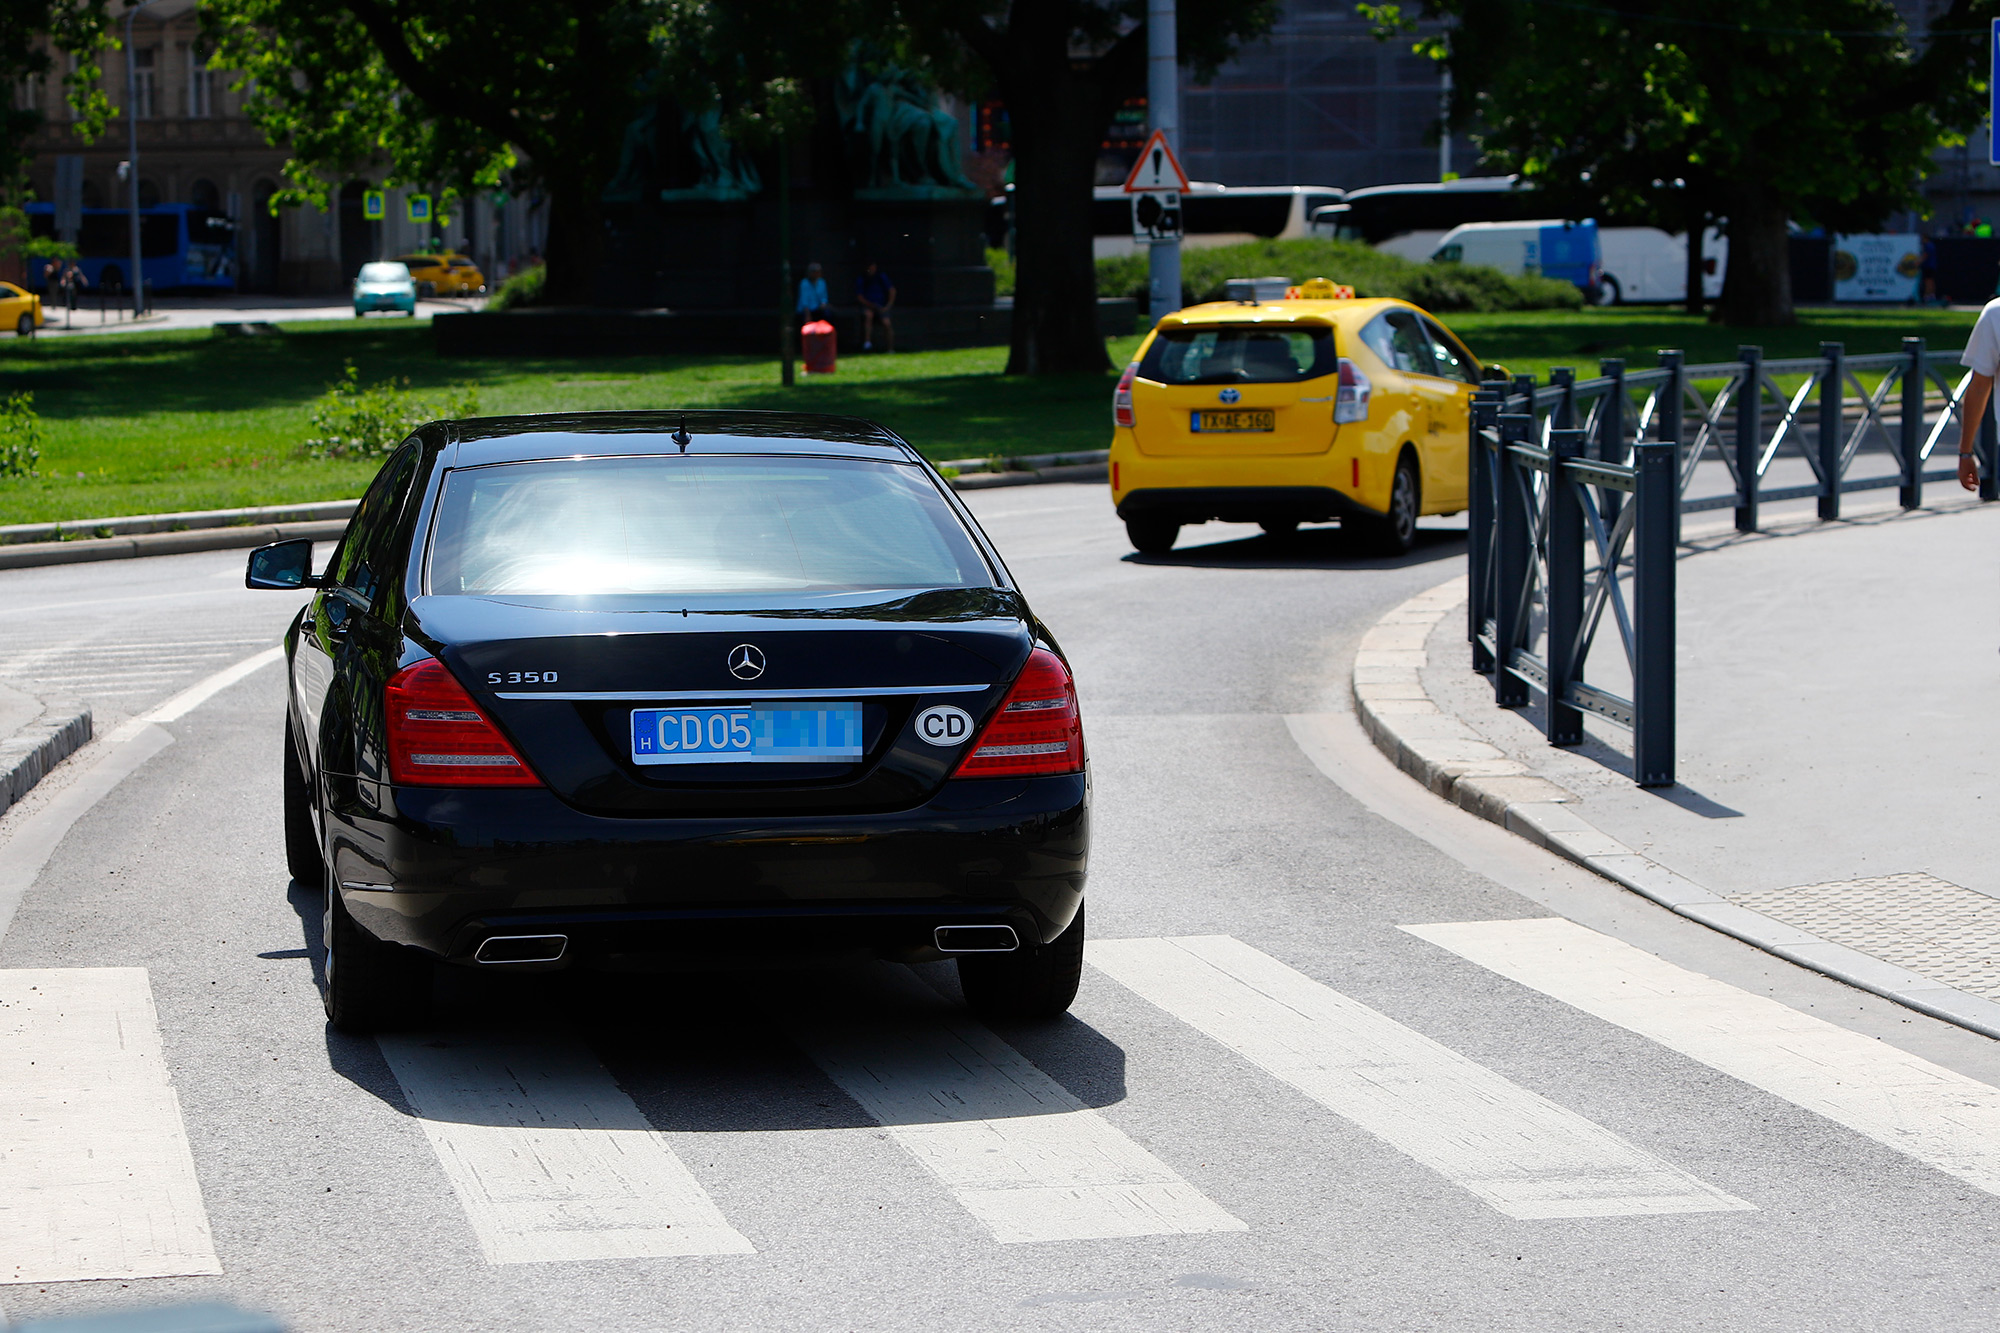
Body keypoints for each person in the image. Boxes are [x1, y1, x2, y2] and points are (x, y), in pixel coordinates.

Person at [1957, 294, 2000, 491]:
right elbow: (1980, 386)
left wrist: (1966, 452)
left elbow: (1980, 385)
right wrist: (1965, 451)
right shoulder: (1995, 313)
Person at [855, 259, 895, 352]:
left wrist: (888, 306)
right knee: (868, 316)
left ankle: (890, 349)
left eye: (873, 266)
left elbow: (892, 290)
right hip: (868, 306)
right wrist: (870, 305)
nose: (871, 269)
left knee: (887, 323)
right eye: (869, 267)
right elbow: (860, 297)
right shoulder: (862, 278)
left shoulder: (881, 276)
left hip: (881, 306)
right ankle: (867, 344)